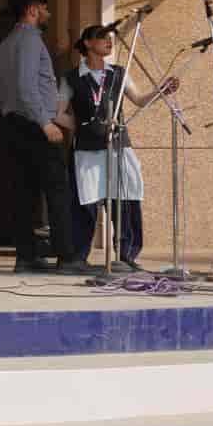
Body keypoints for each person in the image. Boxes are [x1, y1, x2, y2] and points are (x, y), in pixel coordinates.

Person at [57, 25, 177, 272]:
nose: (109, 41)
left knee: (125, 198)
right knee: (85, 203)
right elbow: (57, 114)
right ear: (88, 43)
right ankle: (77, 257)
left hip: (118, 146)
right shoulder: (71, 77)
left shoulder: (119, 73)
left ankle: (126, 255)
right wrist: (81, 127)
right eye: (102, 37)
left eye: (110, 37)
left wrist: (161, 91)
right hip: (87, 150)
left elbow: (140, 99)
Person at [0, 0, 89, 275]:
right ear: (33, 10)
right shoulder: (29, 40)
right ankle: (67, 257)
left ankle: (26, 257)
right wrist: (46, 123)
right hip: (35, 125)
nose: (48, 14)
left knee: (24, 193)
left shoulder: (6, 43)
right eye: (45, 9)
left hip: (14, 124)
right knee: (57, 190)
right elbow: (27, 87)